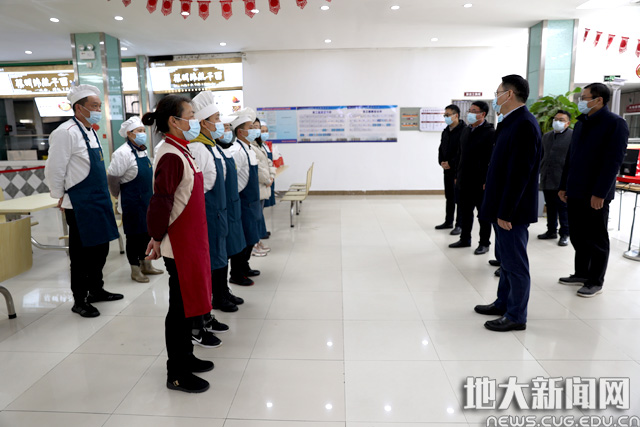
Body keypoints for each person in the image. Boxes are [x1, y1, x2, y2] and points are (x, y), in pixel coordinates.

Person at [144, 95, 218, 393]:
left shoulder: (181, 149)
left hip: (192, 239)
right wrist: (155, 236)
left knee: (189, 303)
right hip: (179, 242)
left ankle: (186, 356)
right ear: (174, 121)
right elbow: (161, 201)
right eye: (190, 115)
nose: (195, 121)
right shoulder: (170, 155)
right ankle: (176, 372)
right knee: (180, 308)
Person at [45, 84, 122, 318]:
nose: (98, 110)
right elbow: (55, 168)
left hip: (98, 199)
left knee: (101, 249)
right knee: (81, 255)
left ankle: (96, 290)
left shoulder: (90, 130)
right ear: (79, 108)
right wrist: (59, 194)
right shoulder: (65, 132)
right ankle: (79, 300)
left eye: (99, 106)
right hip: (79, 202)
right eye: (94, 106)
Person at [474, 75, 542, 332]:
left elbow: (519, 174)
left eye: (498, 92)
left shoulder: (524, 124)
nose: (496, 97)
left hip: (512, 210)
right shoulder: (510, 122)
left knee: (515, 263)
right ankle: (503, 302)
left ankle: (516, 315)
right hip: (501, 205)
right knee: (506, 262)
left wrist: (507, 211)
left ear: (509, 94)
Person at [558, 83, 629, 297]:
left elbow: (613, 162)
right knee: (578, 234)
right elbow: (570, 157)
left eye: (585, 97)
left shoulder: (615, 124)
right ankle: (581, 273)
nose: (581, 101)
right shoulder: (581, 123)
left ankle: (595, 280)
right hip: (575, 189)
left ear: (599, 100)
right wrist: (563, 185)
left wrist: (600, 193)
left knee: (596, 238)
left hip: (595, 193)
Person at [189, 91, 243, 312]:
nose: (221, 123)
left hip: (220, 210)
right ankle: (216, 296)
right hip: (209, 212)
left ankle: (223, 291)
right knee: (213, 257)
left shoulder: (212, 146)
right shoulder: (197, 148)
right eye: (217, 118)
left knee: (222, 254)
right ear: (204, 123)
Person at [107, 116, 163, 283]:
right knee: (134, 237)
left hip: (146, 201)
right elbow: (113, 178)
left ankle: (146, 264)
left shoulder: (143, 150)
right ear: (129, 134)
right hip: (131, 203)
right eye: (139, 131)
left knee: (146, 234)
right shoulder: (122, 153)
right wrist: (117, 195)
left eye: (143, 131)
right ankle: (135, 269)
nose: (142, 134)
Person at [449, 101, 495, 254]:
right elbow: (460, 154)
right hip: (464, 179)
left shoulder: (490, 132)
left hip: (480, 182)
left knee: (483, 215)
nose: (470, 113)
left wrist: (487, 180)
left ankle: (484, 243)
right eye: (469, 110)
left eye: (474, 111)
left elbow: (491, 159)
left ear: (483, 114)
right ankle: (465, 239)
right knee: (464, 212)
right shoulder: (466, 130)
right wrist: (457, 175)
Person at [227, 109, 262, 286]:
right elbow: (232, 180)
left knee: (251, 238)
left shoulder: (249, 149)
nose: (255, 130)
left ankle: (245, 266)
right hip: (242, 201)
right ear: (240, 132)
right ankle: (236, 272)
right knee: (242, 240)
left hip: (252, 201)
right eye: (251, 127)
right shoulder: (236, 151)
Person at [216, 117, 253, 289]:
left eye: (228, 128)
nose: (227, 131)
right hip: (227, 203)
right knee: (227, 246)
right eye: (223, 127)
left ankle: (238, 273)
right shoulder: (231, 150)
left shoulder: (226, 150)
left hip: (234, 201)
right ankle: (231, 280)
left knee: (238, 241)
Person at [538, 110, 573, 247]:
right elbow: (541, 154)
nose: (557, 122)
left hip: (562, 178)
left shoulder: (572, 136)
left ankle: (564, 233)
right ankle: (551, 230)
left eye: (561, 120)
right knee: (550, 206)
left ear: (568, 123)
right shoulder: (546, 136)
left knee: (563, 208)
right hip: (547, 176)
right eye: (556, 119)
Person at [436, 104, 465, 235]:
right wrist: (441, 162)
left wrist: (451, 163)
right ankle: (448, 221)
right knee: (449, 196)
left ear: (456, 115)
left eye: (448, 115)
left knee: (459, 198)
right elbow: (441, 148)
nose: (446, 117)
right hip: (447, 169)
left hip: (458, 170)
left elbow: (462, 151)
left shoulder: (464, 130)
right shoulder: (446, 131)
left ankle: (459, 225)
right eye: (445, 115)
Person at [250, 118, 275, 256]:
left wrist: (271, 176)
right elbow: (258, 168)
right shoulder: (251, 146)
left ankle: (257, 242)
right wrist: (267, 179)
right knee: (255, 217)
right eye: (253, 127)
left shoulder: (260, 145)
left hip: (265, 186)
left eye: (258, 127)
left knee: (259, 216)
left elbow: (269, 163)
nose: (257, 130)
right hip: (259, 186)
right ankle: (254, 245)